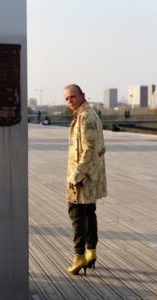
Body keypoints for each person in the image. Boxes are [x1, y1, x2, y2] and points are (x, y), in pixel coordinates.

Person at [64, 84, 107, 276]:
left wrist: (76, 175)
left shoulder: (85, 117)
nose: (69, 101)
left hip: (83, 177)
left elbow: (89, 150)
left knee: (77, 215)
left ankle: (79, 256)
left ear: (82, 96)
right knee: (89, 213)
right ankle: (91, 252)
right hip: (90, 174)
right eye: (66, 98)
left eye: (72, 97)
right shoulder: (86, 115)